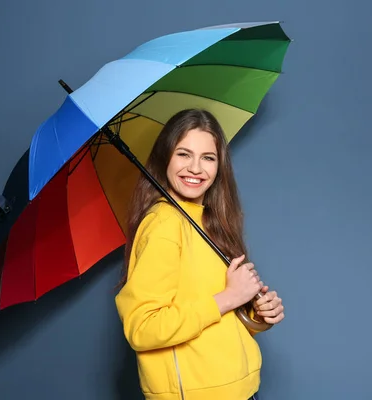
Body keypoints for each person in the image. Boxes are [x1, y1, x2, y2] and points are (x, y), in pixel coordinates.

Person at [114, 109, 285, 400]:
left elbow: (216, 320)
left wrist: (256, 310)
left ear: (220, 166)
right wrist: (229, 297)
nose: (196, 168)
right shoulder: (164, 224)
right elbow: (142, 328)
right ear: (164, 157)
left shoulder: (208, 221)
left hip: (242, 389)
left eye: (208, 157)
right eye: (183, 154)